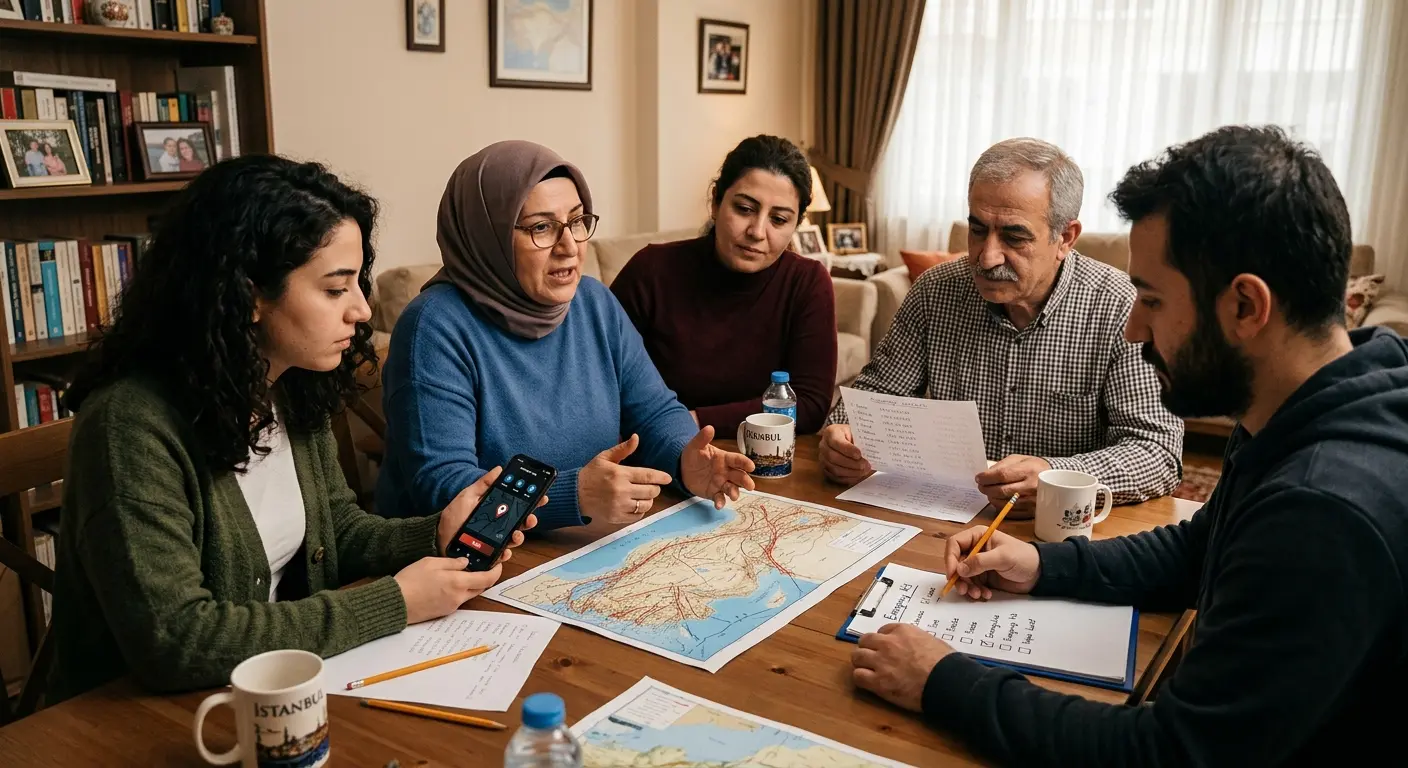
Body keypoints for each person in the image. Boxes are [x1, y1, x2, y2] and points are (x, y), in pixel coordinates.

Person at [849, 125, 1408, 764]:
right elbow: (1198, 551)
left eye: (1152, 299)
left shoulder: (1323, 510)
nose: (1135, 326)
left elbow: (1168, 753)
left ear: (1246, 306)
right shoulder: (1312, 403)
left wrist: (944, 681)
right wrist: (1041, 566)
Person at [46, 155, 537, 705]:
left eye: (358, 284)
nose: (360, 310)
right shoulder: (130, 427)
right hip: (129, 720)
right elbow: (177, 640)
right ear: (249, 294)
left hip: (278, 691)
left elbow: (337, 533)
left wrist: (435, 533)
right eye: (334, 289)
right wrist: (395, 602)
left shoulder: (287, 385)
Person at [377, 140, 755, 530]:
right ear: (486, 236)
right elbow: (443, 488)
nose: (570, 246)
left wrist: (685, 460)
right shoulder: (434, 327)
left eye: (577, 221)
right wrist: (572, 496)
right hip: (462, 566)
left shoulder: (593, 302)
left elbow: (655, 411)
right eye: (541, 227)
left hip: (579, 546)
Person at [820, 138, 1182, 515]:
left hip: (1060, 534)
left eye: (1014, 236)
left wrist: (1055, 476)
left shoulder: (1120, 306)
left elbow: (1156, 452)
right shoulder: (934, 292)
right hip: (941, 519)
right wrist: (842, 436)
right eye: (977, 230)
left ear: (1065, 238)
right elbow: (875, 396)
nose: (988, 257)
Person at [610, 135, 837, 436]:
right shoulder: (651, 271)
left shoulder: (807, 283)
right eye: (744, 209)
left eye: (779, 219)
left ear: (795, 225)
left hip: (764, 460)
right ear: (716, 202)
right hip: (656, 453)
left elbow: (810, 404)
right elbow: (602, 382)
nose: (757, 231)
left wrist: (693, 421)